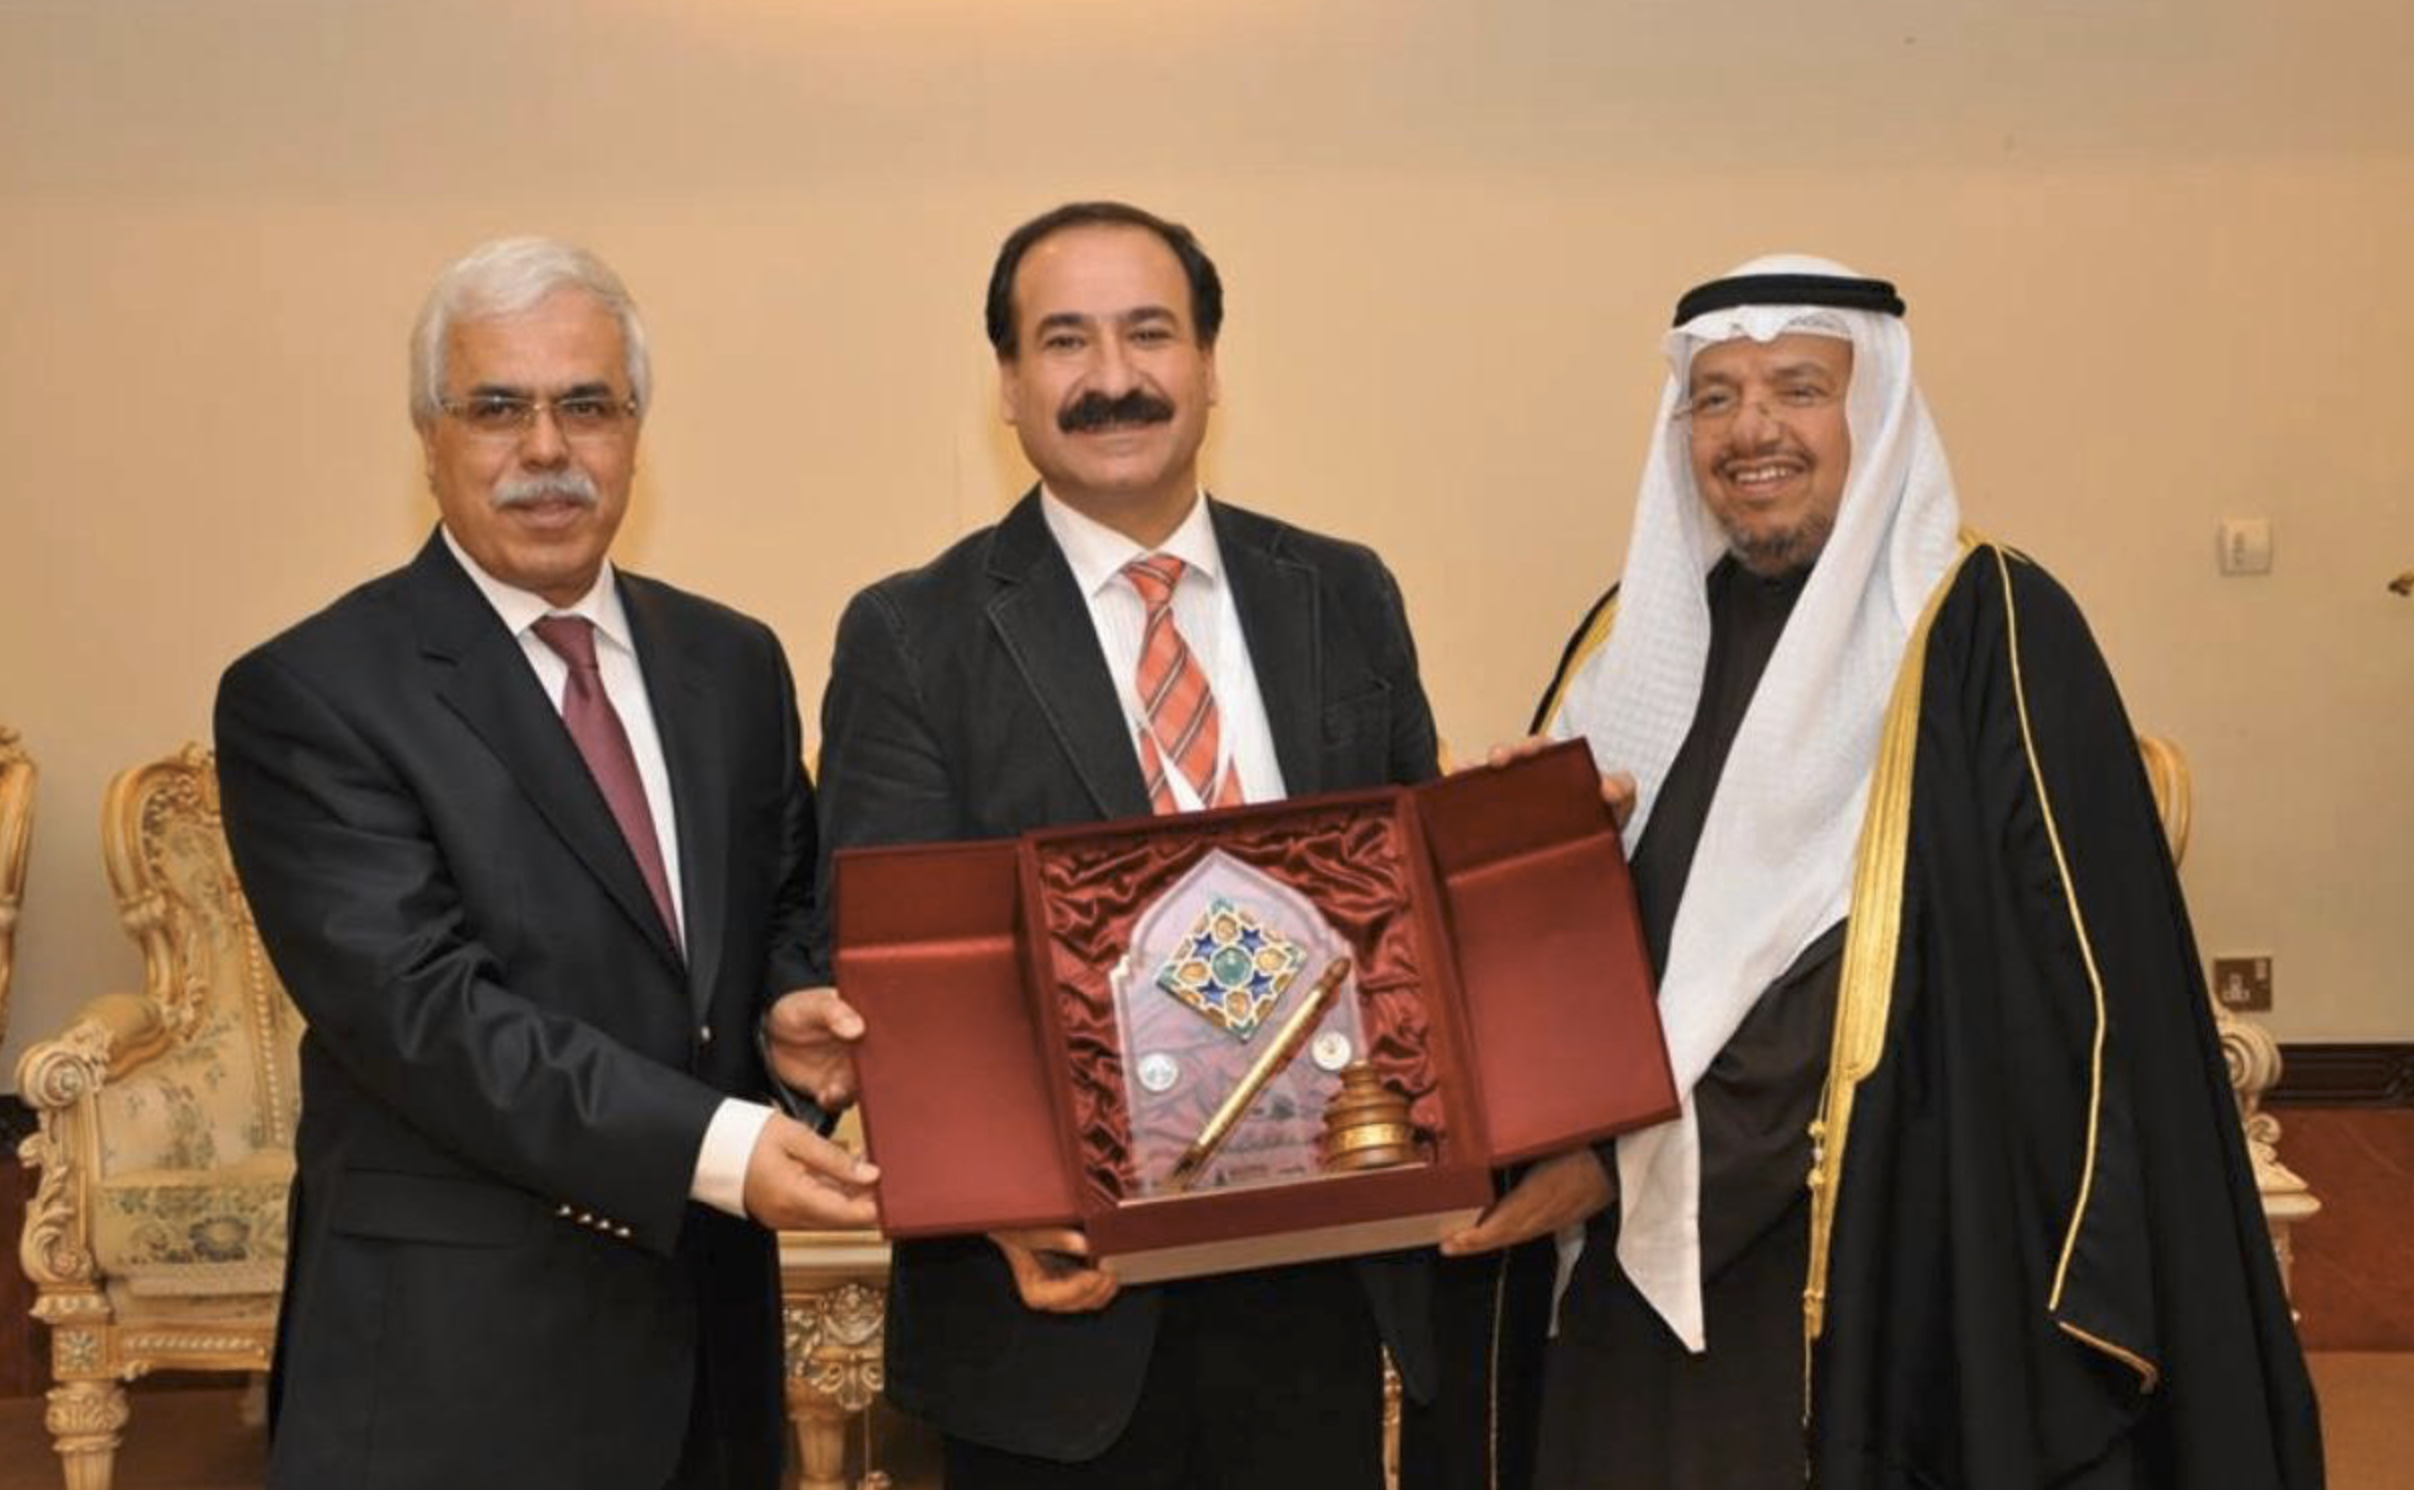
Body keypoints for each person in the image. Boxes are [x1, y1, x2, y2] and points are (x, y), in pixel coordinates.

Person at [1422, 256, 2324, 1488]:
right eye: (1714, 396)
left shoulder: (1985, 625)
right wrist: (1526, 847)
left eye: (1799, 387)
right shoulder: (1628, 635)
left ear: (1878, 407)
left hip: (1884, 1237)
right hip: (1621, 1232)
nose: (1751, 429)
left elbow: (1998, 968)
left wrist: (1653, 1152)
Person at [214, 236, 878, 1490]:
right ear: (429, 435)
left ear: (634, 431)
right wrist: (720, 1143)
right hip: (456, 1369)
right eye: (496, 408)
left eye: (586, 404)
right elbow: (423, 1014)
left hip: (708, 1352)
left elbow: (780, 905)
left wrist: (786, 1011)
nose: (545, 448)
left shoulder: (731, 662)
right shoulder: (311, 692)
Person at [812, 200, 1440, 1487]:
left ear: (1208, 364)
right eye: (1064, 341)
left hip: (1316, 1288)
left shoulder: (1342, 591)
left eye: (1149, 333)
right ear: (1007, 385)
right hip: (1054, 1313)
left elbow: (1410, 908)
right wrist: (995, 1201)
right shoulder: (912, 635)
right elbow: (899, 974)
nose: (1112, 377)